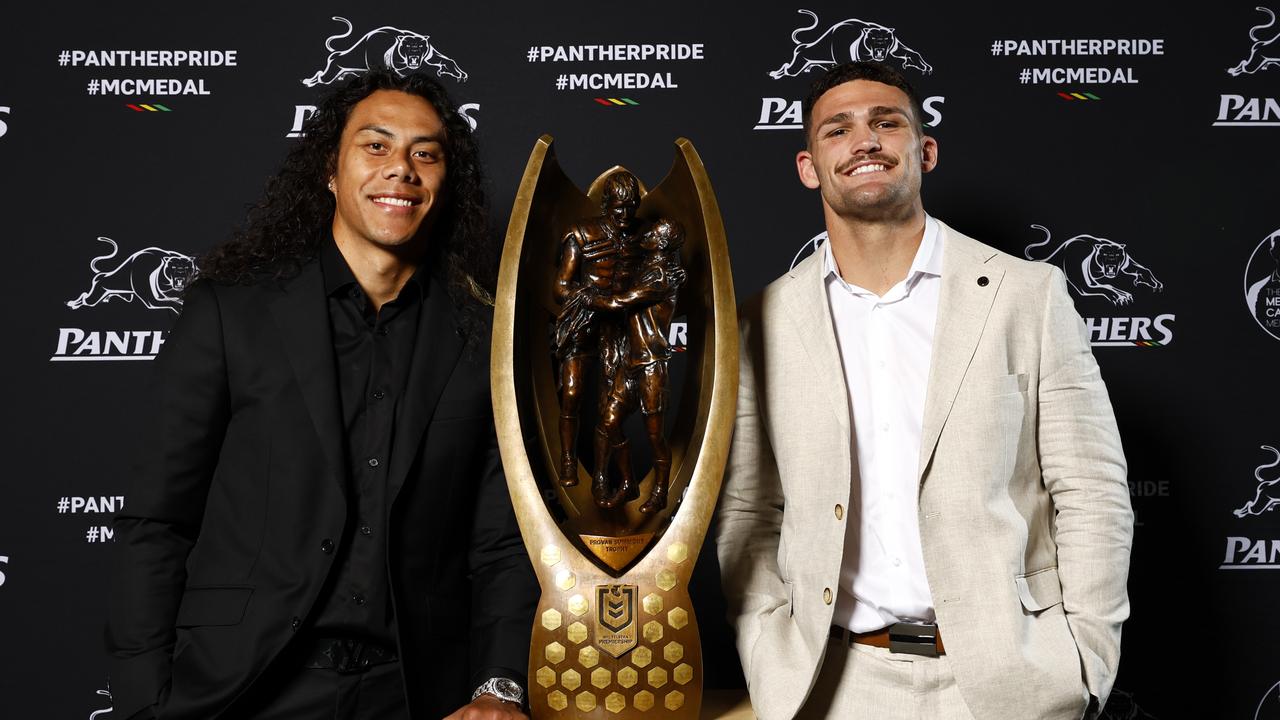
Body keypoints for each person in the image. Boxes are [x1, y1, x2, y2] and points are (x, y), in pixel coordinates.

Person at [105, 70, 538, 720]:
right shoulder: (232, 315)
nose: (402, 170)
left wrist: (499, 688)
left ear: (446, 186)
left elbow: (502, 542)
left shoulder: (483, 340)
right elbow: (158, 522)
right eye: (376, 146)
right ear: (330, 172)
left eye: (425, 154)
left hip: (417, 695)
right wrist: (145, 702)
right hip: (244, 691)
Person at [715, 61, 1132, 720]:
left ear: (925, 150)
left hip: (1012, 680)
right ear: (807, 165)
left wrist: (1083, 657)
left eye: (888, 123)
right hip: (837, 684)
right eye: (838, 130)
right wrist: (769, 652)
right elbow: (749, 513)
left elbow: (1092, 487)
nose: (866, 142)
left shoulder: (1028, 295)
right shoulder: (761, 321)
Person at [552, 170, 646, 507]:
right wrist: (591, 298)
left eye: (631, 208)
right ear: (606, 204)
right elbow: (560, 286)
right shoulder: (581, 233)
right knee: (573, 393)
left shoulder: (641, 239)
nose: (625, 216)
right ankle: (567, 458)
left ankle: (611, 478)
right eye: (619, 208)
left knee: (613, 410)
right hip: (583, 323)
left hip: (618, 331)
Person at [590, 218, 686, 513]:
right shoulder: (647, 268)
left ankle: (660, 491)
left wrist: (591, 299)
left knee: (655, 435)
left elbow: (623, 301)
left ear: (663, 242)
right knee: (608, 422)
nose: (650, 232)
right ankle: (629, 482)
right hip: (631, 362)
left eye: (656, 231)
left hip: (651, 367)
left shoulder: (661, 277)